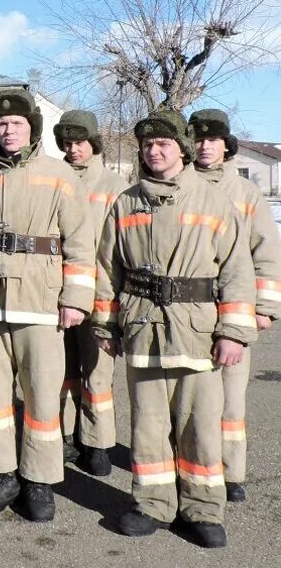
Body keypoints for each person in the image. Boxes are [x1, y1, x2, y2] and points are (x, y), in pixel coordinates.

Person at [91, 109, 257, 548]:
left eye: (163, 143)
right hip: (142, 325)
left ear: (180, 149)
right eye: (147, 144)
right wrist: (106, 324)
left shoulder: (213, 201)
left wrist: (233, 331)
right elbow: (108, 269)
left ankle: (202, 509)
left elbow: (237, 271)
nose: (154, 151)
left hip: (197, 331)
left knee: (199, 425)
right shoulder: (125, 201)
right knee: (147, 425)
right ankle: (152, 505)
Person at [0, 89, 95, 522]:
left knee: (42, 398)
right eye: (2, 125)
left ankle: (39, 481)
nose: (8, 131)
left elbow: (80, 244)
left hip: (41, 304)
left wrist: (76, 300)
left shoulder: (59, 175)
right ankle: (1, 475)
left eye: (17, 124)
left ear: (33, 128)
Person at [189, 108, 281, 503]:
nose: (205, 146)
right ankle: (192, 466)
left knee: (230, 397)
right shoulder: (180, 183)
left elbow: (266, 251)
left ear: (226, 145)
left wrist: (264, 306)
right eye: (199, 138)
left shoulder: (245, 192)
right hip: (188, 308)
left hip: (234, 303)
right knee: (191, 397)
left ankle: (231, 471)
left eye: (213, 139)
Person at [53, 110, 129, 476]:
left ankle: (97, 442)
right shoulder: (54, 179)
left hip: (100, 294)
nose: (72, 150)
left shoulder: (114, 186)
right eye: (66, 144)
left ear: (94, 143)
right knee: (62, 370)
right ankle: (66, 435)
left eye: (79, 142)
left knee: (97, 372)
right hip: (57, 292)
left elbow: (122, 248)